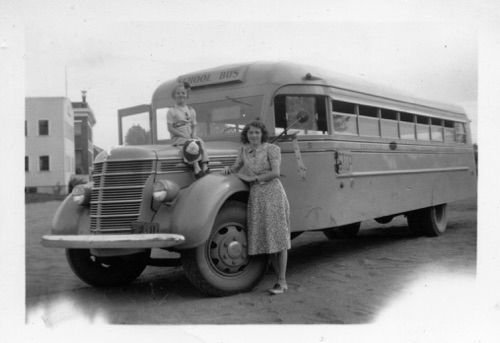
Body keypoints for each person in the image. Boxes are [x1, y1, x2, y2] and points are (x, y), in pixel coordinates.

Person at [221, 121, 291, 295]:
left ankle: (282, 282)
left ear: (262, 134)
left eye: (257, 133)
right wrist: (226, 169)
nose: (254, 136)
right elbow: (235, 168)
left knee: (279, 239)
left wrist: (254, 180)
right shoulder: (243, 150)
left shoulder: (271, 149)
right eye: (251, 133)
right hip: (257, 198)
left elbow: (275, 172)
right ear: (247, 134)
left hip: (273, 194)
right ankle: (278, 280)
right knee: (268, 239)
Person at [167, 82, 210, 179]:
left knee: (200, 142)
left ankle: (205, 166)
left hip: (189, 134)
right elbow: (170, 128)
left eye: (183, 93)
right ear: (174, 95)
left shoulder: (191, 110)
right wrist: (183, 135)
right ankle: (196, 168)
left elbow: (194, 125)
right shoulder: (172, 111)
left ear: (186, 95)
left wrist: (194, 134)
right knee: (190, 144)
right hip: (178, 136)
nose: (181, 95)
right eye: (178, 93)